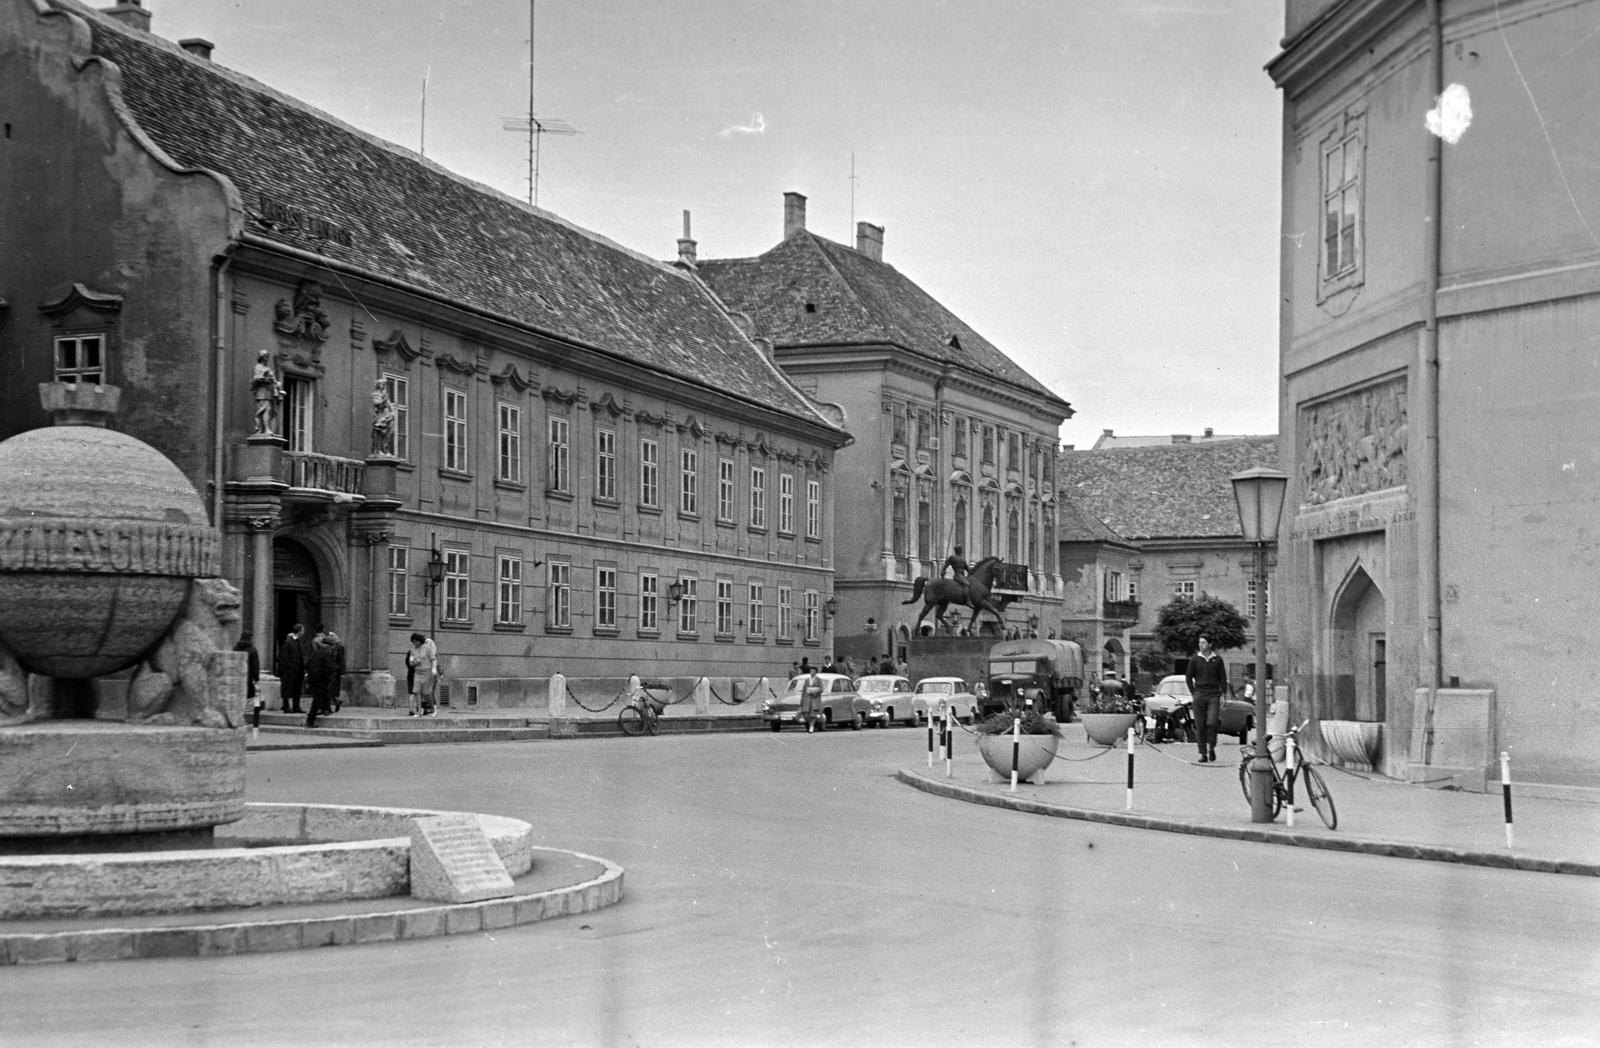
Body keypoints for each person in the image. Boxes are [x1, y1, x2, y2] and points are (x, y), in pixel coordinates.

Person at [1185, 635, 1229, 763]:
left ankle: (1211, 747)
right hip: (1199, 695)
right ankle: (1203, 753)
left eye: (1203, 643)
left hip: (1213, 695)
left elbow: (1222, 678)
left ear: (1210, 644)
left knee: (1212, 723)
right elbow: (1188, 677)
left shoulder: (1218, 660)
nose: (1200, 645)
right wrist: (1193, 693)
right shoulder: (1195, 659)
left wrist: (1223, 694)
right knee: (1200, 725)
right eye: (1199, 642)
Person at [303, 630, 343, 728]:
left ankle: (325, 709)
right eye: (333, 645)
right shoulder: (326, 653)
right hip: (321, 680)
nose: (334, 647)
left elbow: (308, 664)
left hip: (314, 679)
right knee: (316, 700)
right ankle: (310, 721)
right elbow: (329, 667)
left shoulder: (316, 653)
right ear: (329, 645)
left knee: (321, 697)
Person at [276, 623, 309, 714]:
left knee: (297, 690)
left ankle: (296, 707)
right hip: (289, 671)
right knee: (287, 689)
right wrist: (289, 667)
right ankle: (286, 707)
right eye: (302, 630)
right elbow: (284, 657)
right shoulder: (288, 642)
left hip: (299, 671)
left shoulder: (299, 641)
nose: (303, 631)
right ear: (299, 631)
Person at [407, 632, 438, 717]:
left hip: (427, 672)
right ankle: (419, 712)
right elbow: (411, 663)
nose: (414, 643)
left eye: (415, 641)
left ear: (419, 641)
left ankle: (432, 709)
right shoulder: (413, 650)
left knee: (427, 693)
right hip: (417, 673)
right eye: (412, 642)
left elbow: (433, 659)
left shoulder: (427, 648)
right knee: (417, 692)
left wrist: (434, 668)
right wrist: (415, 663)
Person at [235, 631, 260, 724]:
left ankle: (238, 717)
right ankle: (242, 717)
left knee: (238, 698)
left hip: (238, 677)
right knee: (247, 698)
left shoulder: (236, 648)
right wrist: (256, 678)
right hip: (248, 678)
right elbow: (255, 665)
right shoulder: (252, 649)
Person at [370, 380, 397, 456]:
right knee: (379, 434)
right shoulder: (375, 394)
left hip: (386, 415)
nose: (383, 385)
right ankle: (378, 450)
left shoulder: (384, 395)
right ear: (378, 385)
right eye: (381, 384)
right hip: (380, 416)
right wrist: (384, 400)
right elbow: (376, 403)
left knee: (388, 433)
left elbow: (390, 405)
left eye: (384, 384)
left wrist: (393, 412)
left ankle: (385, 450)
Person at [801, 667, 824, 733]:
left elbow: (821, 689)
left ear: (816, 672)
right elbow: (804, 690)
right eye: (811, 671)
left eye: (813, 671)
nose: (812, 673)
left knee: (813, 714)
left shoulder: (819, 680)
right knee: (806, 713)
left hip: (815, 698)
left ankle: (811, 726)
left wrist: (814, 691)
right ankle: (810, 724)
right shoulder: (807, 680)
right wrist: (802, 699)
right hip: (807, 698)